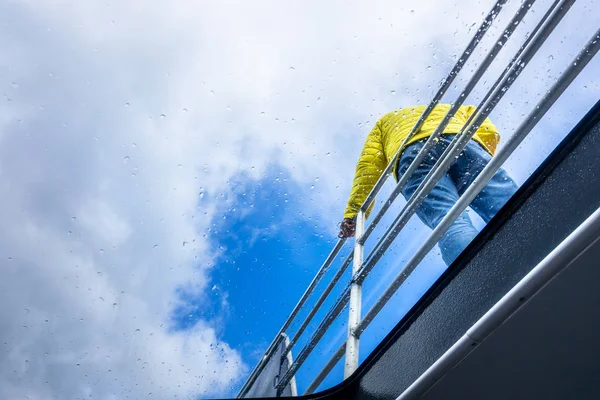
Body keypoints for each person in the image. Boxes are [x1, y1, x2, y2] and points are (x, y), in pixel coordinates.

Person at [338, 104, 519, 265]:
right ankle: (535, 233)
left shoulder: (384, 123)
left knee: (448, 220)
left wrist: (353, 214)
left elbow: (368, 167)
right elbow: (487, 127)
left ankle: (476, 275)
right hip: (459, 137)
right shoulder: (449, 107)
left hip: (412, 155)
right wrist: (480, 152)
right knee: (503, 198)